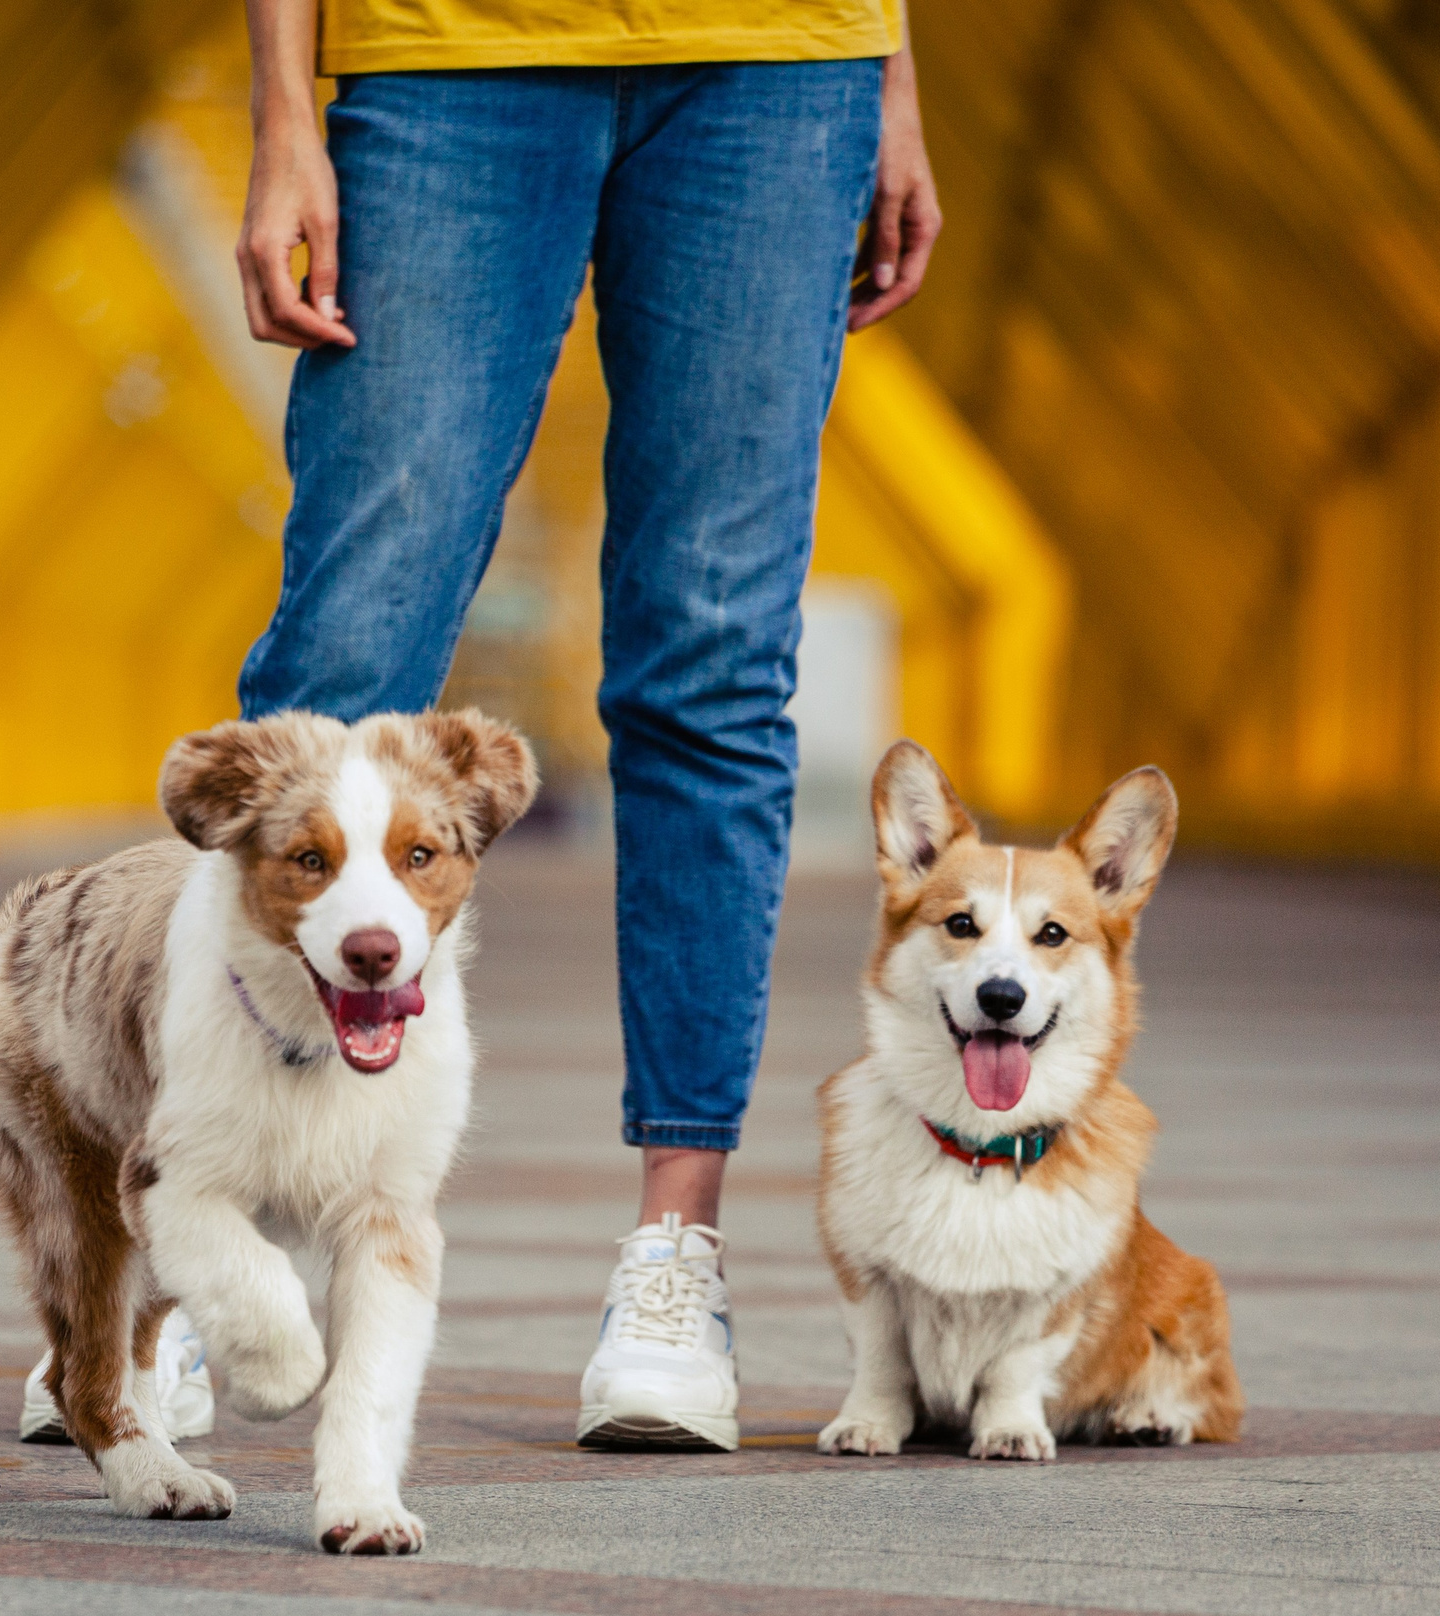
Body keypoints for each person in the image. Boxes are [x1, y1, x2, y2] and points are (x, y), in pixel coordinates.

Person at [233, 0, 939, 1450]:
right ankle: (205, 1239)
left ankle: (675, 1258)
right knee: (343, 663)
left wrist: (892, 77)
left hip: (780, 61)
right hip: (450, 54)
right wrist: (282, 109)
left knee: (712, 664)